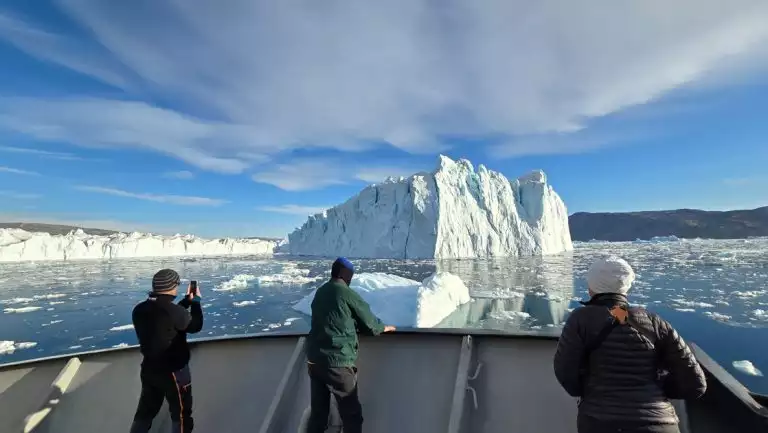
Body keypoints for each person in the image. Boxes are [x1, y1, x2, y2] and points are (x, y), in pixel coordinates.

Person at [554, 256, 707, 433]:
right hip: (660, 424)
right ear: (626, 286)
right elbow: (695, 383)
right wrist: (655, 390)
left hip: (600, 421)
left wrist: (592, 392)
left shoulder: (581, 320)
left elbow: (566, 374)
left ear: (591, 288)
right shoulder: (656, 323)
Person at [305, 257, 396, 433]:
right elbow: (369, 323)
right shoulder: (346, 293)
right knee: (352, 415)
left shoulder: (321, 291)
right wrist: (382, 327)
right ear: (347, 276)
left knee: (319, 415)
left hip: (314, 361)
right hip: (337, 363)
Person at [130, 269, 204, 433]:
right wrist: (196, 301)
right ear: (172, 285)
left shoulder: (139, 309)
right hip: (174, 373)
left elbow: (166, 314)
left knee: (145, 413)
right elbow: (195, 325)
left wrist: (185, 302)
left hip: (149, 370)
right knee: (181, 416)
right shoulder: (173, 312)